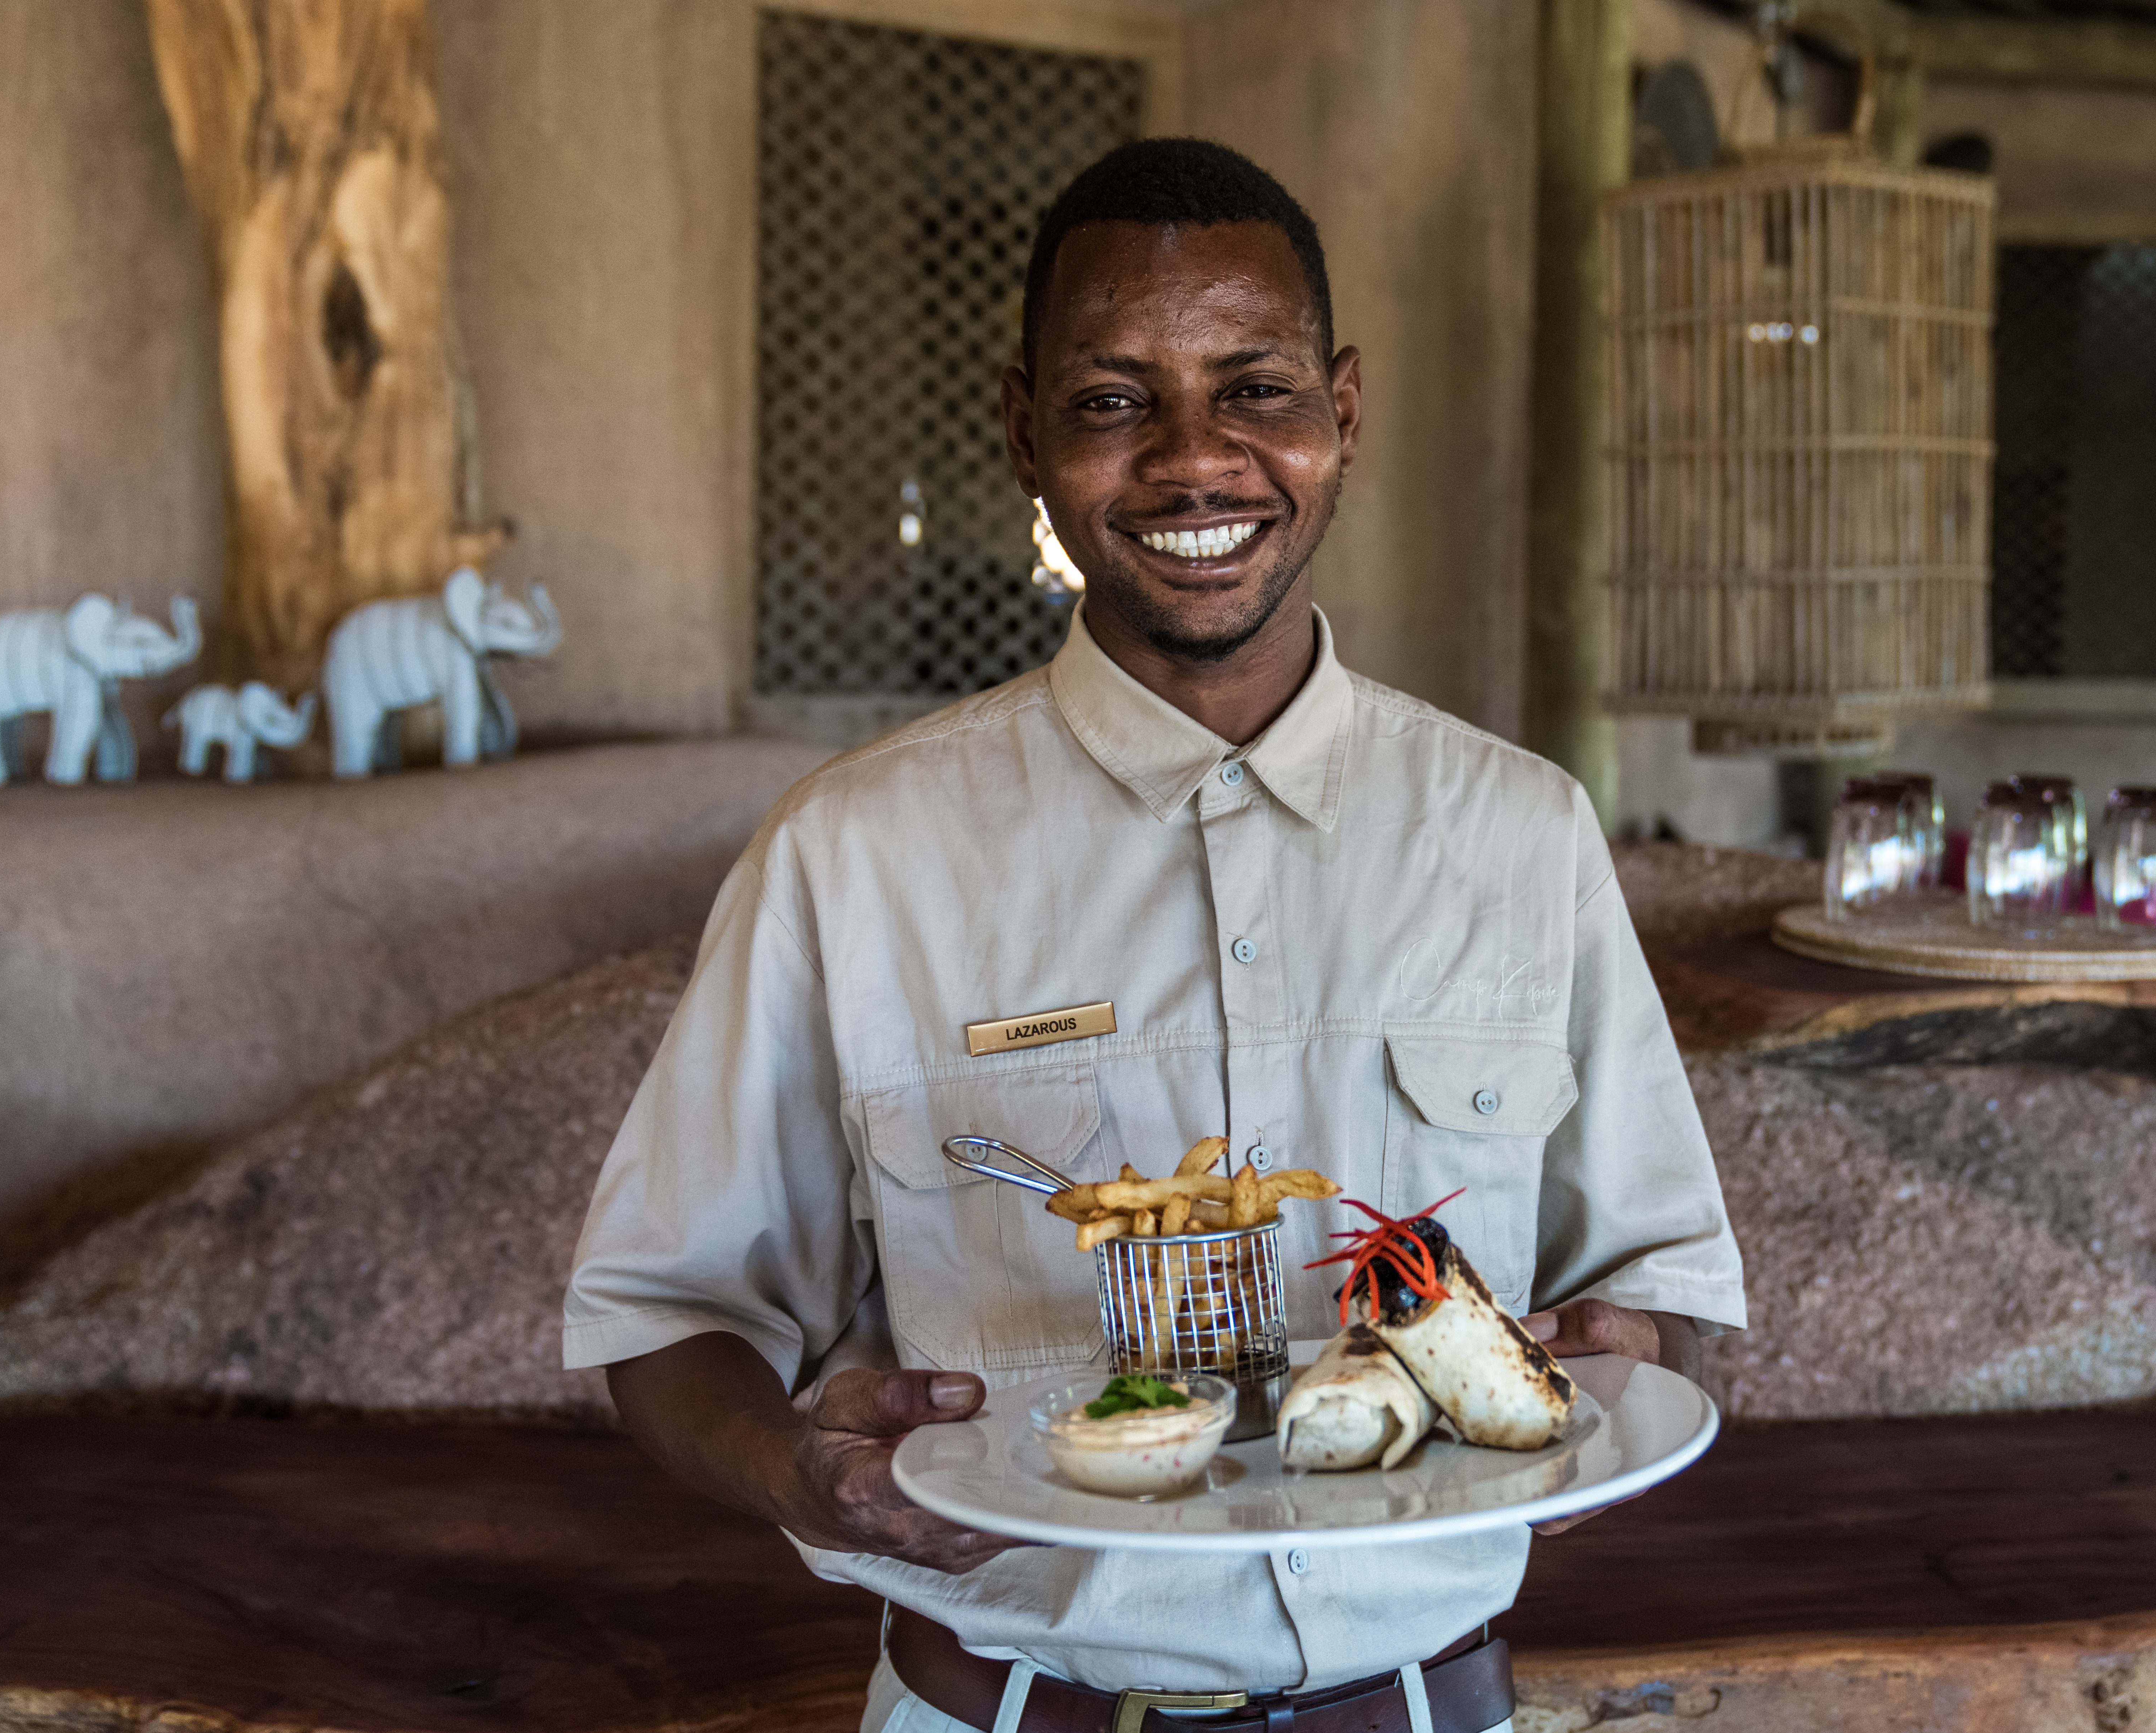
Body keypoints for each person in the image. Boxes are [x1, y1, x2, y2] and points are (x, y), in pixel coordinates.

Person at [562, 137, 1745, 1733]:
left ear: (1343, 408)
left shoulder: (1518, 833)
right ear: (1024, 431)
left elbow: (1667, 1287)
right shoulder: (858, 853)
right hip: (1003, 1703)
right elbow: (664, 1308)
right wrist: (805, 1469)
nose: (1197, 460)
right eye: (1116, 400)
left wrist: (1634, 1353)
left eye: (1255, 388)